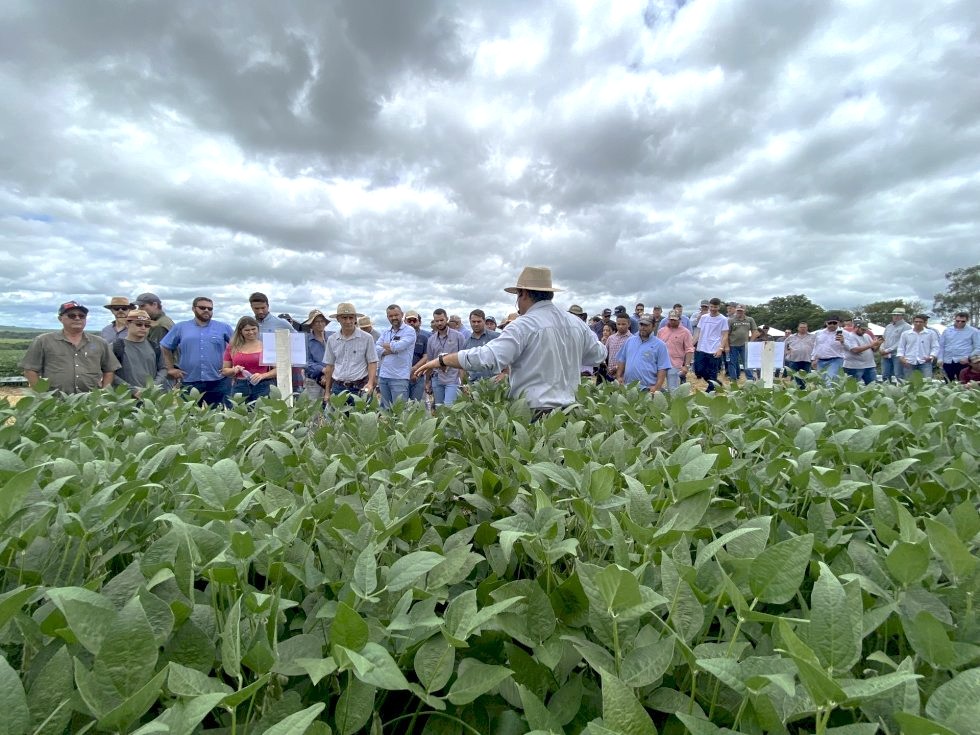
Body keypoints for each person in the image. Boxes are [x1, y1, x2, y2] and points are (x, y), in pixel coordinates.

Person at [414, 266, 606, 419]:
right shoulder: (575, 323)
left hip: (534, 412)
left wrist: (441, 360)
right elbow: (598, 355)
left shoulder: (524, 324)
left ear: (522, 294)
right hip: (570, 412)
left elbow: (488, 357)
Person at [21, 300, 119, 394]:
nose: (77, 318)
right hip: (55, 402)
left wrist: (103, 393)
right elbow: (30, 370)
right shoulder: (43, 341)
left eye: (82, 316)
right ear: (60, 319)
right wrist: (41, 395)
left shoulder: (100, 342)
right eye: (72, 315)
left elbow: (109, 370)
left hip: (91, 403)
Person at [160, 296, 233, 407]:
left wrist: (231, 368)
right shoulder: (181, 327)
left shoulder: (223, 328)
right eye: (202, 307)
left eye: (210, 308)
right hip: (189, 380)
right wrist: (170, 368)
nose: (206, 310)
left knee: (219, 417)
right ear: (194, 309)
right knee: (189, 417)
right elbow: (165, 346)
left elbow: (237, 347)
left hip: (218, 380)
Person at [322, 303, 378, 404]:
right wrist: (327, 392)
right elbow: (329, 366)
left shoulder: (367, 338)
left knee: (361, 417)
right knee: (337, 419)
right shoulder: (332, 339)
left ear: (355, 318)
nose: (348, 321)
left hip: (360, 388)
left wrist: (370, 383)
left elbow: (372, 362)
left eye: (351, 317)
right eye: (344, 318)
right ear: (338, 319)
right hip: (338, 388)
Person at [417, 308, 468, 408]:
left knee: (449, 408)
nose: (439, 323)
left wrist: (462, 381)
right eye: (437, 321)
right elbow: (429, 362)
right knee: (439, 408)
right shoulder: (431, 339)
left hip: (453, 378)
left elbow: (463, 359)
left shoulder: (458, 336)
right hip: (437, 378)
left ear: (447, 319)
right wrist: (427, 382)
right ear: (434, 321)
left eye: (441, 320)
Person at [111, 308, 168, 397]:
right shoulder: (116, 347)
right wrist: (133, 390)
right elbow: (110, 373)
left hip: (151, 398)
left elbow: (163, 369)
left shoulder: (155, 347)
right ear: (127, 324)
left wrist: (153, 387)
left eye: (147, 325)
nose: (143, 328)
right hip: (124, 399)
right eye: (138, 324)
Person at [220, 316, 276, 403]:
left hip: (263, 385)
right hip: (239, 386)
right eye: (247, 330)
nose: (251, 332)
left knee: (262, 414)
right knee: (239, 414)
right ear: (240, 331)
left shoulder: (266, 346)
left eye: (253, 329)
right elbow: (224, 370)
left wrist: (263, 375)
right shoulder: (232, 347)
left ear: (258, 329)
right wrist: (234, 370)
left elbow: (278, 370)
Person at [616, 314, 670, 392]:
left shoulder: (660, 345)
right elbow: (622, 360)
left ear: (654, 326)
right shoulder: (629, 341)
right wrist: (619, 376)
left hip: (647, 389)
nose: (643, 327)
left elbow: (662, 368)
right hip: (628, 387)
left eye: (646, 325)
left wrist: (657, 387)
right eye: (641, 324)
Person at [375, 304, 416, 408]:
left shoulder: (409, 331)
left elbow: (399, 346)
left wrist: (387, 346)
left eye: (396, 315)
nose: (393, 318)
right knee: (386, 410)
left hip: (399, 377)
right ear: (387, 317)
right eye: (390, 316)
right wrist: (390, 349)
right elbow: (376, 347)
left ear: (402, 315)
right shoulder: (386, 331)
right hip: (384, 376)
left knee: (400, 411)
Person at [694, 298, 729, 392]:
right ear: (709, 306)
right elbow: (698, 332)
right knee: (699, 370)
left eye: (715, 307)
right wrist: (692, 344)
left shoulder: (723, 319)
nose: (713, 309)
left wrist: (720, 348)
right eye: (712, 306)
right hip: (702, 348)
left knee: (712, 372)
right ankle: (716, 383)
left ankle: (709, 392)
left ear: (719, 307)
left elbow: (725, 334)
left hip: (714, 349)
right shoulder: (704, 317)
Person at [657, 310, 694, 390]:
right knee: (657, 387)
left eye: (675, 320)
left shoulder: (685, 332)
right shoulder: (661, 331)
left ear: (679, 320)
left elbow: (689, 350)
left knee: (673, 388)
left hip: (675, 364)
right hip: (660, 364)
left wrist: (686, 366)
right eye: (671, 319)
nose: (672, 321)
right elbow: (656, 347)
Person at [938, 311, 980, 382]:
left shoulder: (974, 331)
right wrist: (940, 358)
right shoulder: (947, 330)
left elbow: (978, 347)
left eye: (963, 321)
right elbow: (941, 346)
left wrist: (968, 358)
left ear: (967, 320)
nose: (960, 323)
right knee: (948, 383)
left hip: (963, 362)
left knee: (963, 384)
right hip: (948, 361)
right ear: (955, 319)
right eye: (958, 321)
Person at [462, 309, 499, 383]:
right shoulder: (466, 343)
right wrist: (463, 384)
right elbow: (463, 366)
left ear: (484, 321)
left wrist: (504, 373)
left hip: (494, 383)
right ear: (470, 322)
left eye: (478, 321)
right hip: (474, 384)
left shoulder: (496, 337)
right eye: (473, 322)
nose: (476, 324)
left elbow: (507, 356)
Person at [898, 314, 940, 379]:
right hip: (909, 362)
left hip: (925, 362)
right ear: (913, 322)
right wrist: (901, 358)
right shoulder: (905, 334)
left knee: (927, 383)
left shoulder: (931, 333)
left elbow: (935, 347)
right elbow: (901, 347)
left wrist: (931, 356)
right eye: (916, 321)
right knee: (909, 383)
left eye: (920, 322)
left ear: (924, 323)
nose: (918, 323)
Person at [843, 320, 882, 385]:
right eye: (862, 329)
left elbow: (874, 349)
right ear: (856, 327)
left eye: (865, 330)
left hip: (869, 365)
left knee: (873, 386)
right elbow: (855, 350)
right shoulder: (850, 336)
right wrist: (871, 344)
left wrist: (878, 344)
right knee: (853, 387)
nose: (864, 331)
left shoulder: (867, 336)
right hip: (854, 366)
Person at [302, 309, 330, 401]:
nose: (320, 324)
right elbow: (306, 362)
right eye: (316, 322)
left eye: (322, 321)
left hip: (331, 379)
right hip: (313, 381)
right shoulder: (305, 340)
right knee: (313, 410)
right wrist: (323, 370)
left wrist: (328, 374)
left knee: (331, 410)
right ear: (311, 325)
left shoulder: (331, 338)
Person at [811, 317, 847, 384]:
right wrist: (813, 359)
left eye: (834, 323)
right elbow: (816, 346)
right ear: (826, 323)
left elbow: (849, 347)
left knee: (830, 381)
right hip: (821, 360)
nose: (832, 325)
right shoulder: (819, 333)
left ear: (838, 323)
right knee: (821, 382)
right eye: (830, 323)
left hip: (835, 360)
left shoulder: (844, 333)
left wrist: (843, 341)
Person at [726, 305, 757, 381]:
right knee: (731, 363)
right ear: (736, 310)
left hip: (745, 345)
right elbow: (726, 334)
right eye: (738, 310)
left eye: (741, 310)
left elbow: (755, 332)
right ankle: (733, 379)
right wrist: (726, 346)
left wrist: (751, 342)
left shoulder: (750, 319)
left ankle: (750, 379)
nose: (739, 312)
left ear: (744, 311)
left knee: (747, 362)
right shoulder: (730, 320)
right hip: (732, 345)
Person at [405, 310, 430, 402]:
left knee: (416, 404)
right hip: (402, 376)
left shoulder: (424, 338)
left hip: (418, 376)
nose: (411, 323)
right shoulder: (398, 337)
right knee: (402, 404)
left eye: (414, 320)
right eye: (409, 320)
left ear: (419, 322)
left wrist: (414, 370)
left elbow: (426, 357)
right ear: (404, 321)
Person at [880, 307, 911, 381]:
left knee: (899, 375)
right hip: (886, 355)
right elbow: (884, 339)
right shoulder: (888, 326)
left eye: (898, 315)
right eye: (894, 315)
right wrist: (881, 348)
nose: (896, 316)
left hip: (898, 355)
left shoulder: (907, 327)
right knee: (885, 374)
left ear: (903, 316)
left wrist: (887, 350)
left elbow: (901, 342)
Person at [784, 322, 816, 387]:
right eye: (801, 327)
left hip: (807, 359)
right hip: (794, 359)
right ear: (798, 328)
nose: (803, 329)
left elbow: (817, 346)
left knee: (806, 377)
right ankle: (796, 389)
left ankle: (804, 389)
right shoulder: (791, 337)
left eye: (804, 327)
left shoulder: (813, 337)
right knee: (794, 376)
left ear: (807, 328)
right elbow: (784, 345)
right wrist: (786, 351)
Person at [603, 314, 632, 381]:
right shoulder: (611, 338)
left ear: (629, 324)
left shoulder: (632, 339)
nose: (620, 326)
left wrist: (616, 368)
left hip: (624, 376)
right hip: (610, 374)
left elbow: (630, 359)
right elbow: (604, 353)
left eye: (623, 324)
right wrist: (606, 367)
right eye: (618, 324)